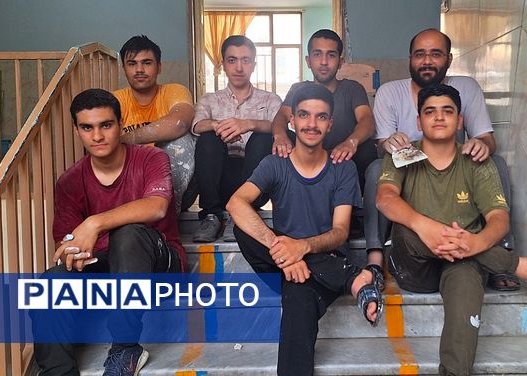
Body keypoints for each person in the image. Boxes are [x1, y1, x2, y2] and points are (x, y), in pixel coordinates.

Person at [376, 84, 527, 376]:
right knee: (405, 229)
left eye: (447, 111)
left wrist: (475, 244)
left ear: (460, 120)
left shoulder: (475, 159)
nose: (438, 118)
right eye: (430, 112)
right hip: (415, 266)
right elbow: (385, 199)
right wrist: (427, 227)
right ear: (418, 121)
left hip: (467, 258)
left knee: (465, 287)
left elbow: (499, 218)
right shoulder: (404, 155)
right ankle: (523, 267)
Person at [227, 84, 384, 376]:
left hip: (321, 263)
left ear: (330, 124)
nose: (312, 124)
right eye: (304, 115)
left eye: (321, 117)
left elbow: (340, 232)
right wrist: (284, 252)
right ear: (292, 120)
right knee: (244, 226)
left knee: (298, 296)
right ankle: (353, 277)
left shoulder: (342, 168)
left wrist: (303, 248)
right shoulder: (276, 163)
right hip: (285, 264)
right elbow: (235, 203)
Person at [33, 89, 185, 376]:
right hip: (105, 268)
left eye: (106, 125)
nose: (97, 136)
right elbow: (67, 242)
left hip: (159, 267)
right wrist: (74, 252)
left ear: (120, 124)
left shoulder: (151, 158)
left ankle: (126, 347)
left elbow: (157, 207)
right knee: (50, 282)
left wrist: (95, 222)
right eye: (87, 127)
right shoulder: (70, 181)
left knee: (127, 235)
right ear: (77, 130)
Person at [365, 28, 517, 290]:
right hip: (409, 172)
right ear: (410, 59)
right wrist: (388, 143)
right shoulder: (390, 92)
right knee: (376, 169)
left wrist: (481, 145)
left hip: (454, 170)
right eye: (419, 54)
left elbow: (487, 138)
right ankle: (375, 257)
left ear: (449, 58)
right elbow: (381, 146)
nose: (427, 61)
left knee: (497, 163)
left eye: (435, 54)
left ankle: (501, 250)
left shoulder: (466, 87)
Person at [188, 35, 282, 242]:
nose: (239, 67)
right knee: (208, 138)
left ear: (254, 64)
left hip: (256, 183)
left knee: (262, 137)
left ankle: (243, 214)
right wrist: (218, 126)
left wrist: (249, 123)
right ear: (223, 64)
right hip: (219, 179)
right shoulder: (210, 100)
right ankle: (211, 215)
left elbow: (281, 127)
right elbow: (196, 125)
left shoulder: (270, 99)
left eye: (245, 60)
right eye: (232, 60)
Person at [271, 29, 377, 192]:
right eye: (317, 54)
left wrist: (350, 143)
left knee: (367, 148)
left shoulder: (352, 89)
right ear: (308, 60)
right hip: (306, 158)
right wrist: (280, 136)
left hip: (342, 157)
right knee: (274, 142)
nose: (324, 62)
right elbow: (281, 116)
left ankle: (357, 204)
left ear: (340, 62)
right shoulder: (298, 89)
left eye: (331, 55)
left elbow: (367, 121)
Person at [113, 35, 195, 213]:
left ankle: (167, 214)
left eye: (147, 63)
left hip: (173, 190)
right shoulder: (115, 100)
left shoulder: (174, 91)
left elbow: (180, 123)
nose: (139, 70)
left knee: (181, 141)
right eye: (132, 64)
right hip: (131, 187)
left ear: (159, 67)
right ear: (124, 69)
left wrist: (124, 139)